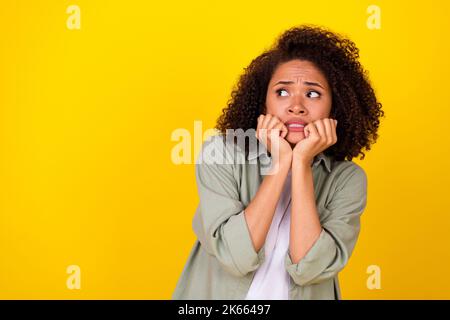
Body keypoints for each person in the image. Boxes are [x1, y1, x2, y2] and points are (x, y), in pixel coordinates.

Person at [172, 24, 384, 300]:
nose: (296, 105)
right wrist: (281, 161)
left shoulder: (347, 179)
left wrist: (302, 164)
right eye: (282, 92)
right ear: (264, 105)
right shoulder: (222, 153)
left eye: (313, 93)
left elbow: (309, 268)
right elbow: (235, 255)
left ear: (335, 107)